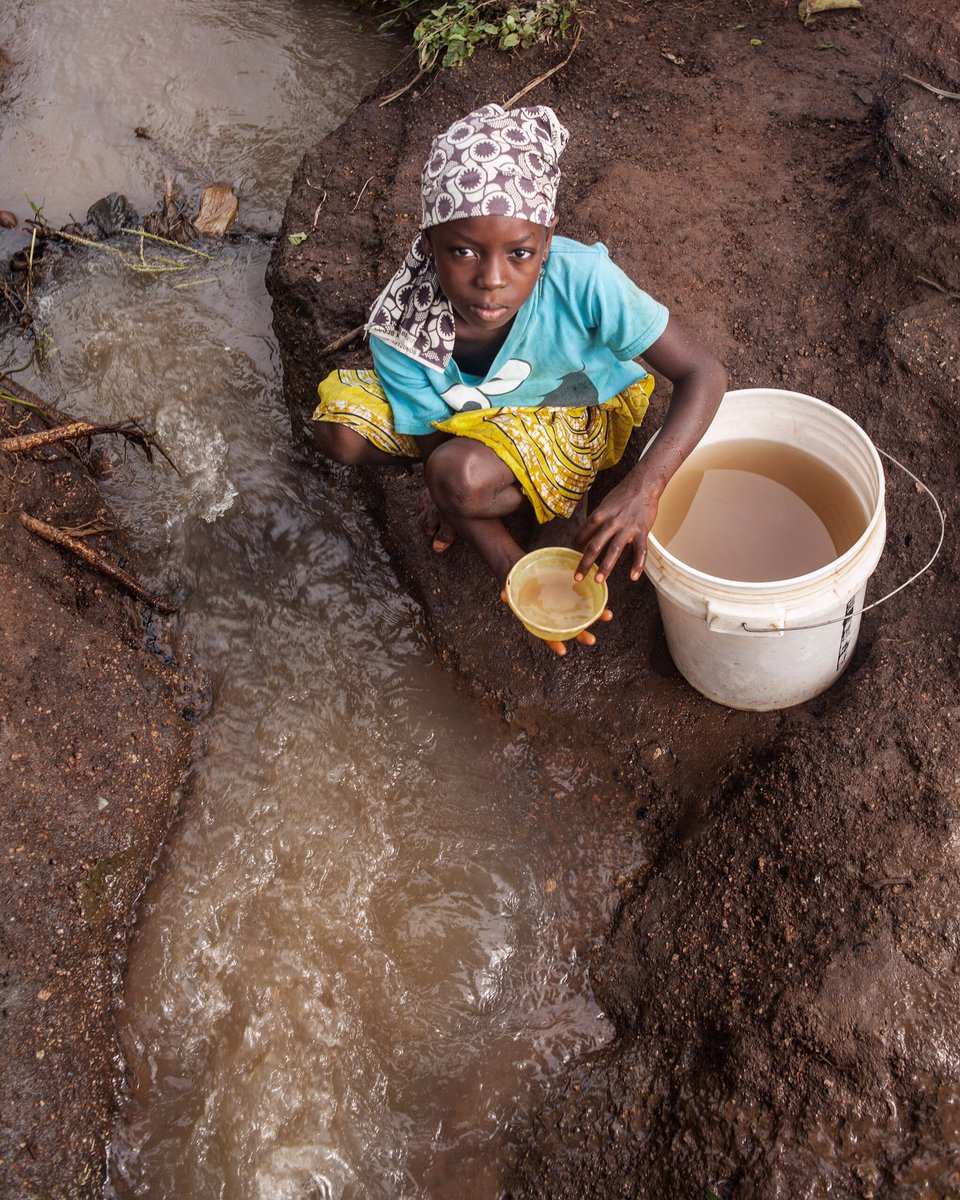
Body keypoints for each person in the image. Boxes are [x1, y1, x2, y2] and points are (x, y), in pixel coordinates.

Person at [312, 103, 726, 654]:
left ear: (548, 241)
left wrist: (643, 489)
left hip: (571, 404)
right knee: (344, 428)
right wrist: (512, 567)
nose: (491, 280)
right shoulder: (401, 325)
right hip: (468, 417)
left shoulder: (584, 281)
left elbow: (704, 372)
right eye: (462, 251)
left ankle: (565, 486)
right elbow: (445, 439)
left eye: (520, 254)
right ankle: (516, 534)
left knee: (457, 474)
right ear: (429, 239)